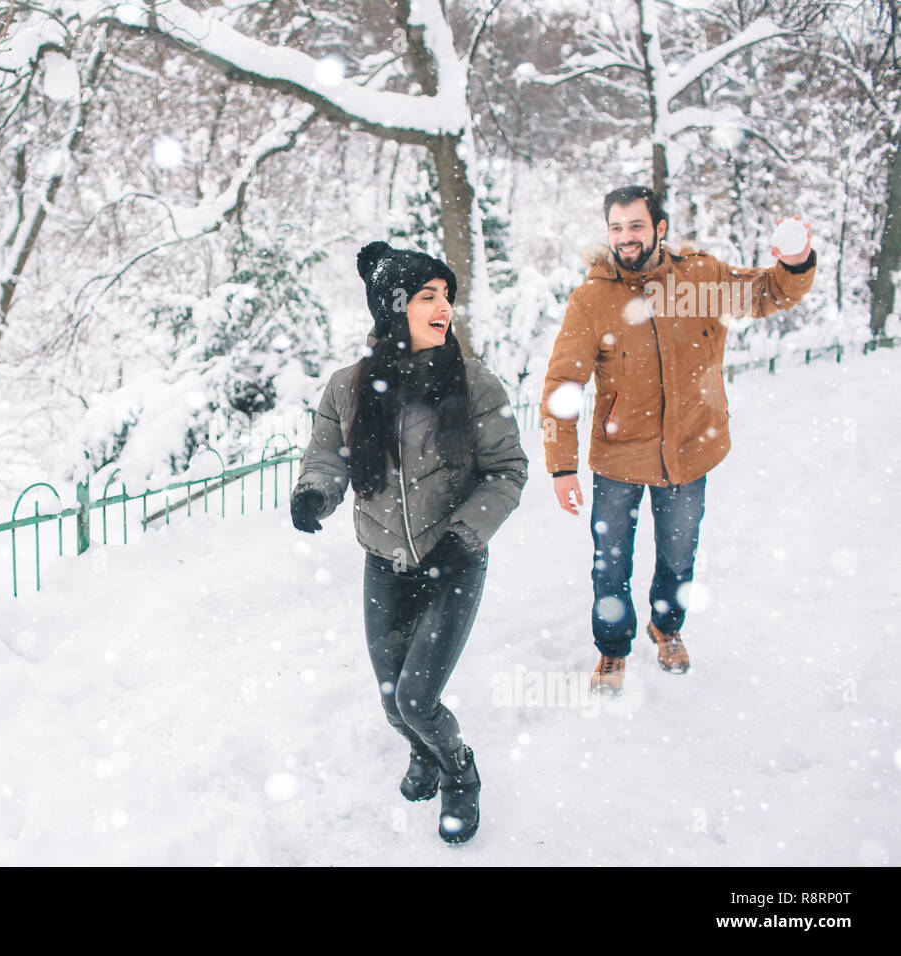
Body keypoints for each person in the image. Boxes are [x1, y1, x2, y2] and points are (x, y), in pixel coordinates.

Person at [289, 241, 528, 844]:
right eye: (428, 296)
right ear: (395, 311)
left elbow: (507, 471)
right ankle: (421, 753)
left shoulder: (474, 384)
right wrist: (316, 492)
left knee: (419, 698)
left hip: (454, 561)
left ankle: (457, 771)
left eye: (447, 295)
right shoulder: (349, 388)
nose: (444, 306)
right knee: (393, 701)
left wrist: (462, 535)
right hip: (384, 564)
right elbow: (328, 455)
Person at [541, 185, 816, 696]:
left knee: (678, 553)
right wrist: (561, 466)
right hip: (619, 457)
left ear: (659, 228)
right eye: (617, 227)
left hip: (690, 449)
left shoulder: (701, 278)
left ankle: (666, 629)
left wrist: (796, 262)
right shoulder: (592, 300)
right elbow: (563, 385)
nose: (625, 237)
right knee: (611, 562)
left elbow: (767, 293)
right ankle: (612, 649)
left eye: (636, 226)